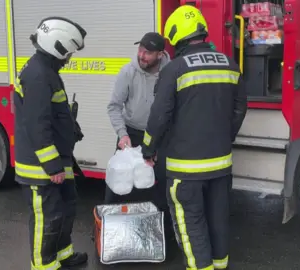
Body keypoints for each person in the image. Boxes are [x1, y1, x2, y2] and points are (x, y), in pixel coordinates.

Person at [141, 5, 248, 270]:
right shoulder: (229, 64)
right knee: (218, 218)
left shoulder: (175, 69)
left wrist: (148, 148)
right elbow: (239, 108)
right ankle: (219, 264)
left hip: (185, 168)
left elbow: (158, 117)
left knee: (191, 223)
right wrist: (227, 135)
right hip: (221, 164)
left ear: (177, 36)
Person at [13, 16, 88, 270]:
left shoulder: (45, 70)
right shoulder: (38, 75)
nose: (68, 59)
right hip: (41, 166)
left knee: (66, 207)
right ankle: (44, 265)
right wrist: (53, 166)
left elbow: (52, 114)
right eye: (68, 53)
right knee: (47, 218)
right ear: (57, 46)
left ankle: (63, 255)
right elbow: (37, 124)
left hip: (58, 158)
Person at [106, 32, 172, 226]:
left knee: (160, 186)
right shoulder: (128, 72)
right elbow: (114, 106)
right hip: (131, 133)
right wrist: (122, 134)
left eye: (148, 52)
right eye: (140, 49)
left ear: (160, 54)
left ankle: (161, 233)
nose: (141, 55)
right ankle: (109, 228)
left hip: (160, 136)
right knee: (118, 185)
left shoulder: (171, 74)